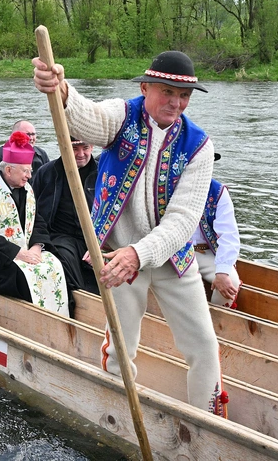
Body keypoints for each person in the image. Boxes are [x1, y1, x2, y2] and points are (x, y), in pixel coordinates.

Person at [33, 50, 227, 417]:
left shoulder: (199, 146)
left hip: (172, 256)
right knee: (121, 346)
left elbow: (183, 221)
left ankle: (209, 421)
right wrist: (61, 91)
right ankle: (118, 412)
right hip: (117, 253)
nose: (176, 102)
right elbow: (88, 118)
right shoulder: (123, 116)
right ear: (145, 87)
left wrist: (140, 253)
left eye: (184, 95)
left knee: (204, 346)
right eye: (167, 91)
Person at [0, 131, 70, 317]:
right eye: (25, 171)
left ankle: (58, 313)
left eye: (30, 170)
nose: (30, 176)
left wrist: (37, 247)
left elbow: (37, 220)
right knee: (23, 277)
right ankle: (30, 317)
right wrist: (18, 253)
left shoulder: (26, 188)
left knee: (56, 265)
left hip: (26, 250)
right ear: (8, 170)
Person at [32, 137, 99, 294]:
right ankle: (80, 299)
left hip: (94, 236)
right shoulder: (46, 173)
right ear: (63, 148)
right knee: (64, 258)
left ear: (92, 147)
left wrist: (100, 242)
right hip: (59, 235)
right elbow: (33, 212)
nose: (81, 154)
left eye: (85, 148)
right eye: (75, 149)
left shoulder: (102, 173)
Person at [192, 158, 241, 307]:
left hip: (204, 252)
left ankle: (218, 324)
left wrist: (222, 272)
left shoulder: (217, 191)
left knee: (230, 281)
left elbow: (229, 236)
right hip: (173, 251)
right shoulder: (168, 186)